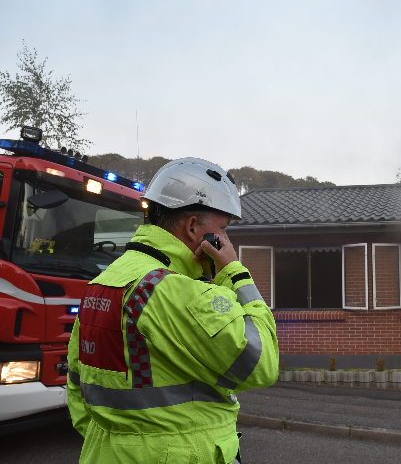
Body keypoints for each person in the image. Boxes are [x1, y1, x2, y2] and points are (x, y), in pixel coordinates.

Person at [67, 158, 279, 464]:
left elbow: (77, 386)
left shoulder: (102, 283)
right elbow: (261, 364)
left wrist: (121, 443)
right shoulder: (171, 290)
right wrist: (235, 272)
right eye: (223, 230)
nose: (227, 241)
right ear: (193, 227)